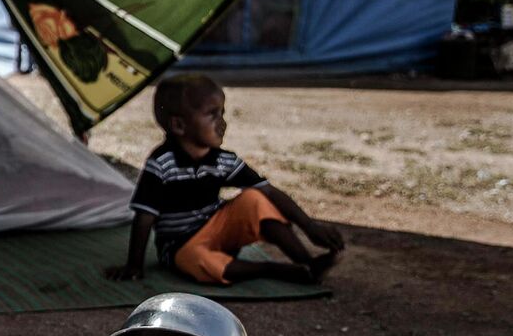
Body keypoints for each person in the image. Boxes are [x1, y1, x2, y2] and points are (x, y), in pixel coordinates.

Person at [105, 74, 344, 285]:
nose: (222, 123)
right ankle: (275, 270)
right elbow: (145, 217)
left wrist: (310, 227)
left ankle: (307, 264)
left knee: (255, 198)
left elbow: (268, 192)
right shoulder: (162, 164)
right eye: (212, 115)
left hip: (218, 232)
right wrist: (134, 266)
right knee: (198, 260)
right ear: (179, 125)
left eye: (222, 113)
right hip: (181, 246)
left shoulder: (224, 160)